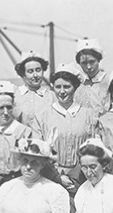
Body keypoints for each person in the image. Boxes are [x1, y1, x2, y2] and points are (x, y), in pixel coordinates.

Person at [34, 63, 99, 195]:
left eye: (67, 87)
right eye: (58, 87)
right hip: (49, 178)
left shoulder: (88, 115)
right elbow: (37, 153)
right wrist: (57, 178)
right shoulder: (42, 116)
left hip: (83, 179)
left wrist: (79, 178)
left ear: (75, 87)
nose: (62, 91)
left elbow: (95, 150)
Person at [0, 79, 39, 203]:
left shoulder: (24, 132)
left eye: (9, 107)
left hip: (22, 184)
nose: (5, 112)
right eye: (0, 108)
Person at [13, 50, 56, 127]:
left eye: (38, 70)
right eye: (30, 71)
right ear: (23, 74)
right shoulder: (15, 95)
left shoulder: (52, 96)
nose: (35, 75)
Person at [73, 38, 110, 116]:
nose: (89, 67)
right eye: (84, 63)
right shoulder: (78, 84)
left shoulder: (109, 81)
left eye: (92, 62)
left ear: (98, 60)